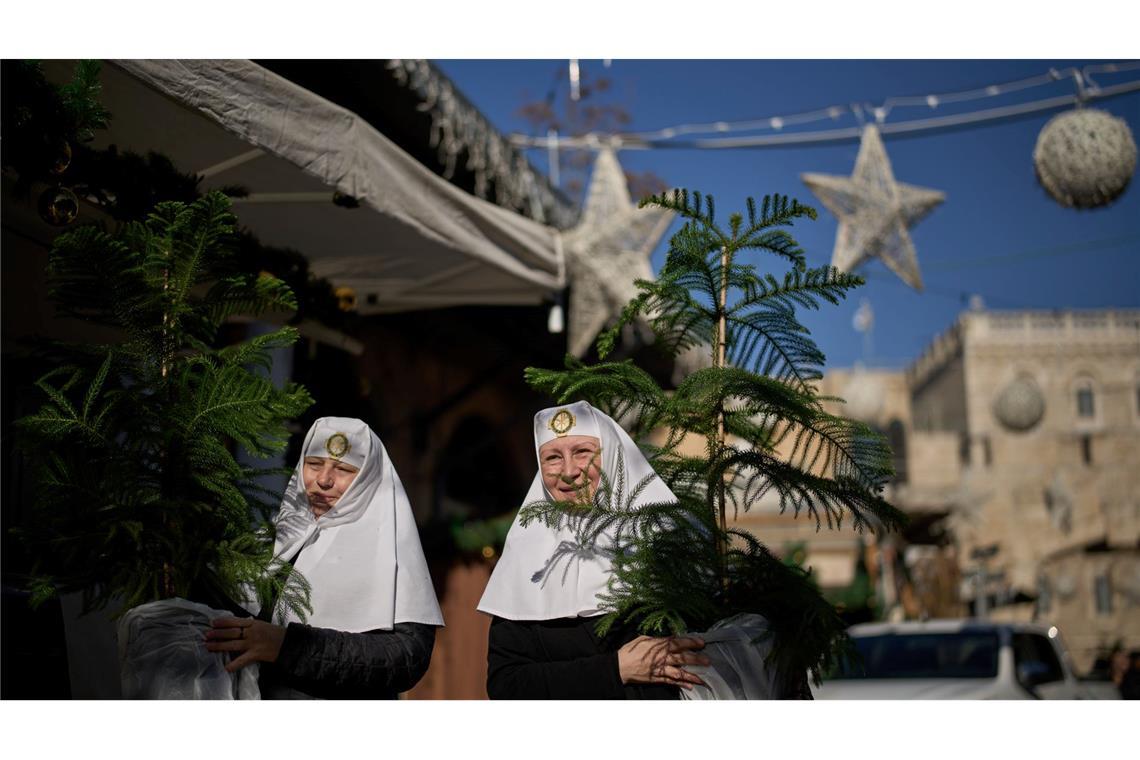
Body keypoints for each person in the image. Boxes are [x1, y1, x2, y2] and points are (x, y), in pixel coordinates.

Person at [477, 401, 710, 699]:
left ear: (612, 453)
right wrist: (616, 669)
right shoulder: (526, 556)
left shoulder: (667, 537)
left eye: (582, 452)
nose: (569, 471)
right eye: (552, 458)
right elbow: (506, 685)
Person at [204, 416, 444, 699]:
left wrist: (288, 646)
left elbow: (405, 658)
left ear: (369, 478)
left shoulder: (391, 549)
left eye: (343, 469)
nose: (323, 480)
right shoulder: (270, 540)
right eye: (314, 464)